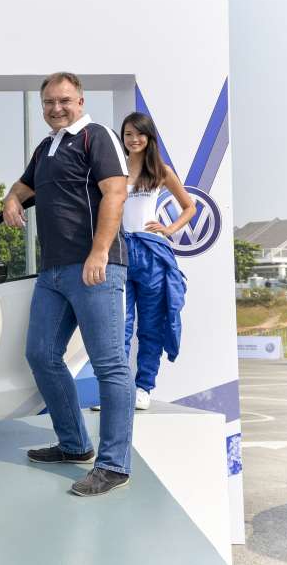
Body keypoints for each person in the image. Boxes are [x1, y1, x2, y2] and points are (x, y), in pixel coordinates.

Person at [2, 72, 133, 497]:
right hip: (53, 272)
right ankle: (75, 444)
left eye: (63, 101)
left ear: (80, 100)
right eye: (48, 103)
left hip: (96, 267)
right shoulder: (47, 147)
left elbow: (115, 193)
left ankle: (113, 465)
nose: (55, 109)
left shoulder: (97, 136)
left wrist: (99, 252)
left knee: (110, 365)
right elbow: (24, 186)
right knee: (40, 355)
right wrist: (10, 200)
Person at [117, 111, 191, 410]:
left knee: (150, 326)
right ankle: (117, 392)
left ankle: (144, 387)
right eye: (128, 134)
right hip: (118, 251)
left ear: (149, 137)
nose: (134, 140)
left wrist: (169, 229)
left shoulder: (161, 171)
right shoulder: (113, 168)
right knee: (118, 326)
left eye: (139, 134)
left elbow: (189, 206)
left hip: (150, 253)